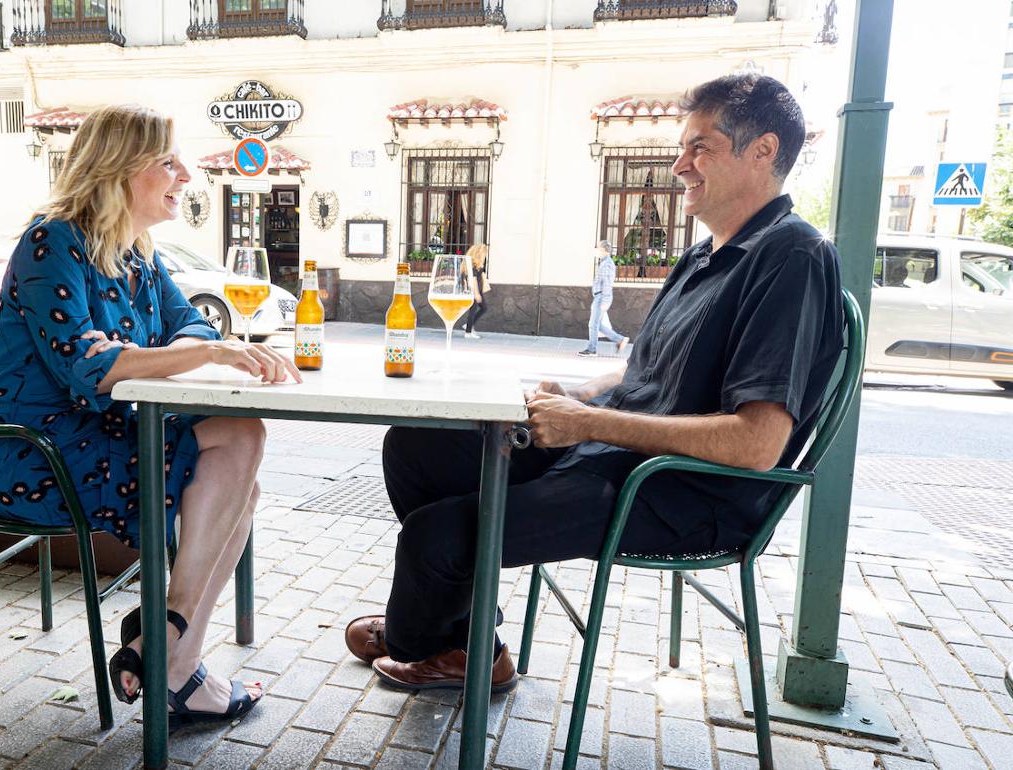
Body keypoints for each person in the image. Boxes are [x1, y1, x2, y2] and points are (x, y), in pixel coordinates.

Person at [345, 73, 844, 691]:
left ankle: (428, 635)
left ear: (764, 152)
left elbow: (757, 443)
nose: (679, 163)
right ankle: (458, 634)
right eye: (682, 146)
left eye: (701, 147)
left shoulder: (791, 256)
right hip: (610, 454)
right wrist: (577, 396)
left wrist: (592, 423)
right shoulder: (702, 254)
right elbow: (644, 373)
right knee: (416, 447)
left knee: (436, 539)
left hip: (676, 493)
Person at [0, 104, 300, 728]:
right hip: (34, 451)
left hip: (104, 431)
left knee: (242, 444)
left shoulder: (137, 252)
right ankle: (172, 653)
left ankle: (169, 647)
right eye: (168, 162)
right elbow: (88, 366)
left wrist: (178, 350)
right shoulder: (53, 240)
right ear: (119, 170)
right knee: (236, 466)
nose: (186, 175)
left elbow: (190, 325)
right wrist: (200, 354)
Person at [579, 240, 628, 356]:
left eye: (598, 248)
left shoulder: (606, 264)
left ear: (604, 250)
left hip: (601, 297)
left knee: (593, 324)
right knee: (597, 325)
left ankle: (592, 349)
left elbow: (607, 283)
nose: (596, 250)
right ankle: (620, 340)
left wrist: (605, 301)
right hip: (600, 296)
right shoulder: (605, 262)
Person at [464, 243, 490, 339]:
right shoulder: (474, 265)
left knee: (483, 308)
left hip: (478, 291)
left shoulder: (478, 264)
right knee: (473, 310)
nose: (485, 255)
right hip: (474, 291)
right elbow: (474, 279)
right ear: (479, 253)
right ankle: (468, 332)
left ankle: (469, 326)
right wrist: (476, 294)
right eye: (484, 253)